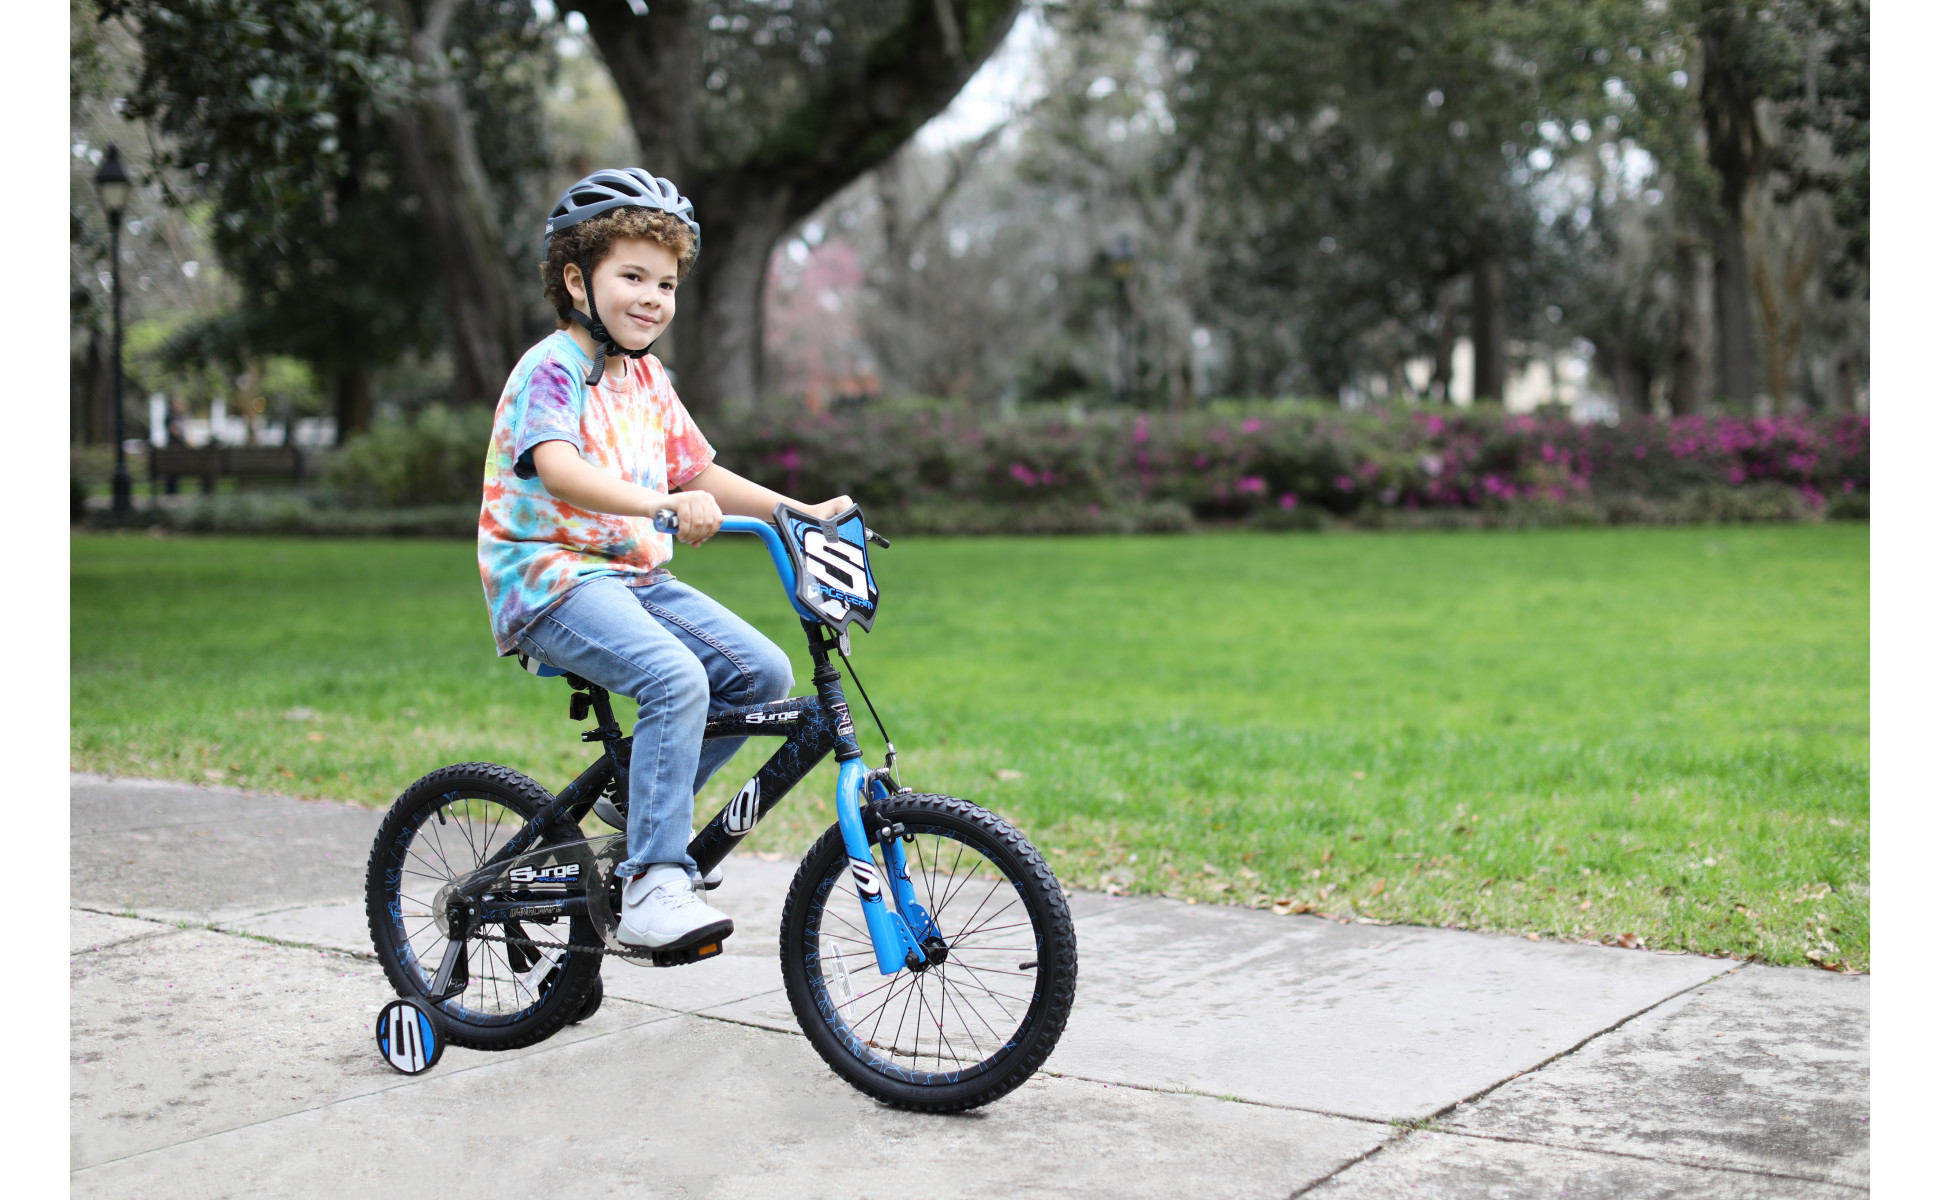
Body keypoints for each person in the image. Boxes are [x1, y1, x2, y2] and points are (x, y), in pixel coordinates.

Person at [477, 168, 852, 952]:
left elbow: (698, 471)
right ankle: (652, 882)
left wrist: (795, 513)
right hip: (550, 578)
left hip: (636, 576)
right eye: (632, 277)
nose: (652, 297)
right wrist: (659, 506)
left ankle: (636, 798)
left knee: (761, 674)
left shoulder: (646, 377)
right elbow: (558, 467)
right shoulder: (553, 368)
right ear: (578, 280)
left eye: (667, 283)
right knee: (675, 676)